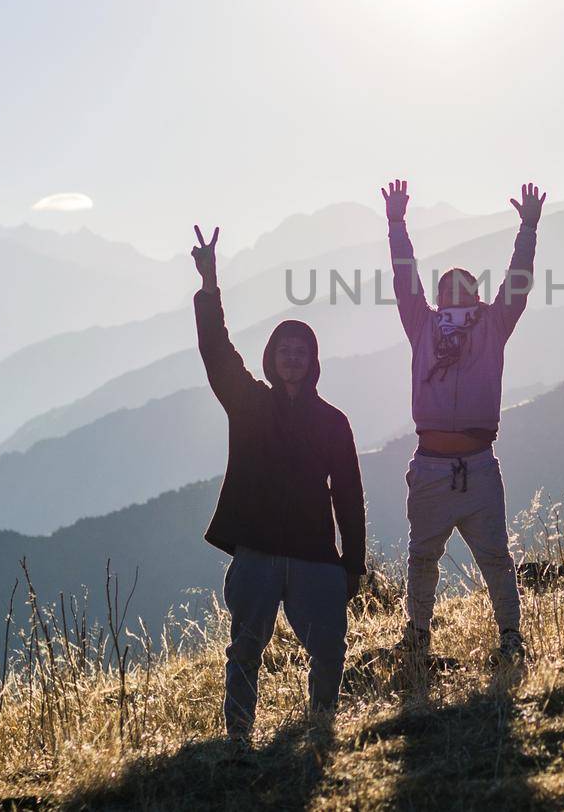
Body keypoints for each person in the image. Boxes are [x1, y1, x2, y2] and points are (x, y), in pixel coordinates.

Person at [190, 225, 366, 743]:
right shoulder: (249, 402)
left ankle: (320, 728)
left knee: (329, 648)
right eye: (284, 349)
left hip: (315, 557)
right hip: (258, 555)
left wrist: (351, 565)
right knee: (245, 647)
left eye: (301, 351)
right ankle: (238, 739)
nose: (292, 357)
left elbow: (350, 497)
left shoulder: (333, 422)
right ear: (271, 358)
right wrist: (209, 285)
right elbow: (216, 350)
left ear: (313, 362)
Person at [380, 178, 544, 668]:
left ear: (474, 293)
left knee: (493, 557)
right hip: (436, 464)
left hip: (472, 463)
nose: (456, 292)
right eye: (449, 287)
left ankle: (510, 637)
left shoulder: (491, 324)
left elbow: (518, 280)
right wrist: (395, 224)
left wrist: (529, 230)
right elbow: (403, 276)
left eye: (464, 286)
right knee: (424, 558)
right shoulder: (424, 324)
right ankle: (418, 637)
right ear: (438, 296)